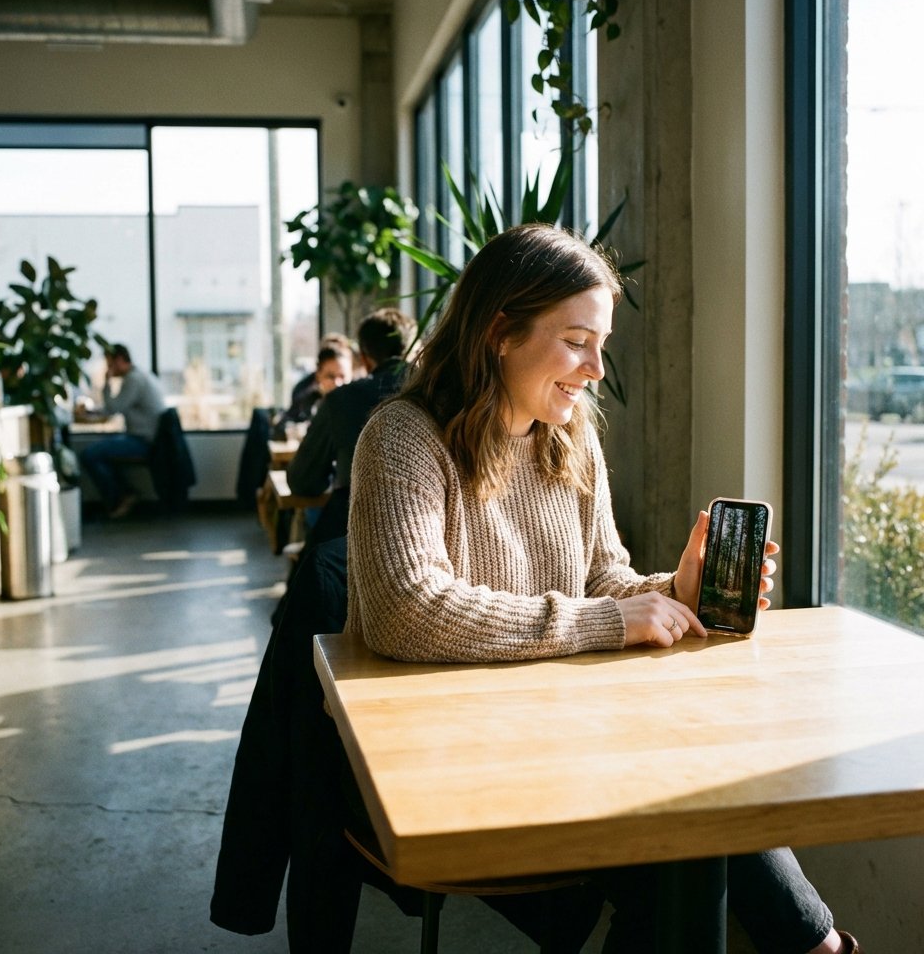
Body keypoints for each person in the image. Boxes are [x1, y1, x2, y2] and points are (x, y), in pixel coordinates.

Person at [344, 224, 861, 954]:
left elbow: (601, 580)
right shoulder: (403, 438)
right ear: (500, 331)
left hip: (560, 737)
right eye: (577, 340)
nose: (594, 368)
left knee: (697, 821)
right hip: (449, 762)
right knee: (688, 835)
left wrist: (672, 588)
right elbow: (408, 611)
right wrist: (613, 621)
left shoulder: (571, 435)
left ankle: (822, 949)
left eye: (601, 343)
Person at [286, 306, 416, 547]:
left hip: (357, 541)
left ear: (365, 359)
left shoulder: (341, 400)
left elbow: (303, 480)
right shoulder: (445, 394)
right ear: (413, 349)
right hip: (432, 533)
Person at [78, 343, 167, 519]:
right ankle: (123, 493)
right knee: (102, 449)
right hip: (144, 436)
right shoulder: (140, 375)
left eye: (109, 364)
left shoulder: (133, 379)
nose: (108, 368)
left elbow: (113, 408)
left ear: (119, 360)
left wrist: (107, 382)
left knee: (89, 455)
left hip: (144, 441)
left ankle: (120, 497)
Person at [272, 342, 353, 441]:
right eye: (330, 376)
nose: (337, 383)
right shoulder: (311, 400)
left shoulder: (359, 404)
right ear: (318, 375)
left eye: (343, 376)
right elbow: (282, 425)